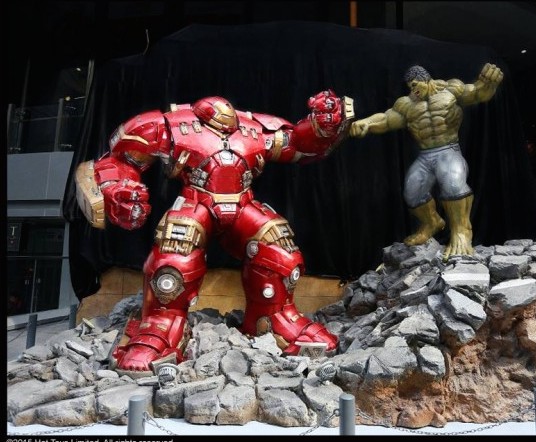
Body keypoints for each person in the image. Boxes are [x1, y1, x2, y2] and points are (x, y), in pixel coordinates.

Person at [75, 90, 354, 377]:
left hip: (242, 203)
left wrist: (322, 125)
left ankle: (273, 318)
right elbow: (119, 161)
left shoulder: (254, 127)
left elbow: (297, 143)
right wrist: (120, 189)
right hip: (196, 201)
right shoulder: (170, 124)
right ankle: (161, 324)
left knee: (279, 249)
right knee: (175, 256)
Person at [349, 63, 504, 260]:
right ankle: (431, 223)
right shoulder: (406, 104)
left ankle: (461, 232)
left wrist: (489, 84)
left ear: (426, 79)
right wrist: (367, 122)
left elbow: (476, 93)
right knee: (412, 191)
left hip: (448, 150)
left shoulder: (451, 89)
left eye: (415, 85)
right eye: (410, 86)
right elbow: (387, 120)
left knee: (453, 184)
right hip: (425, 155)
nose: (413, 90)